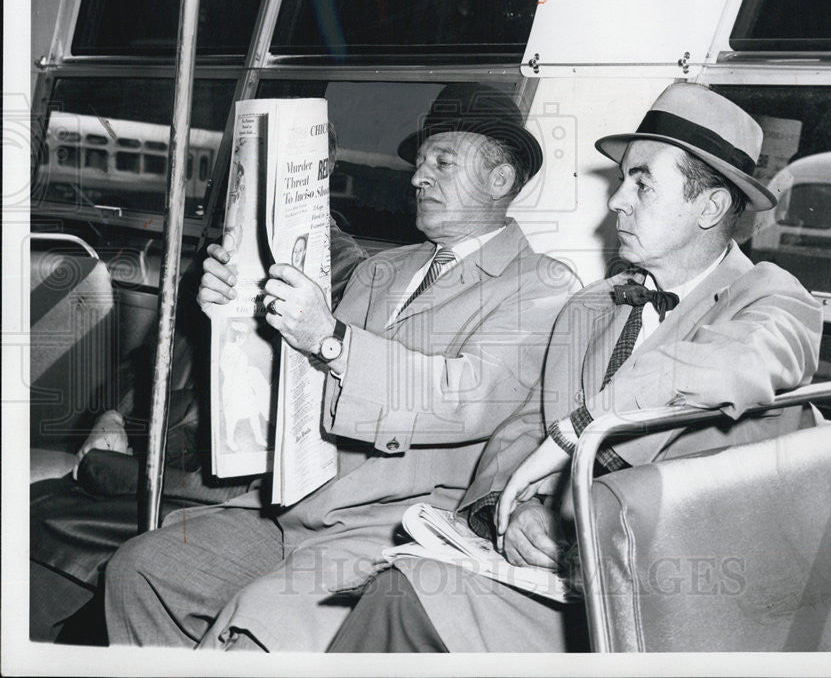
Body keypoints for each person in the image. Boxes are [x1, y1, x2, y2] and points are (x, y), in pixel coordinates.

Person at [328, 82, 824, 653]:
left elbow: (739, 362)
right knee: (398, 591)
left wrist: (579, 432)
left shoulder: (770, 298)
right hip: (571, 581)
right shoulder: (593, 306)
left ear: (709, 207)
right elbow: (521, 434)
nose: (617, 201)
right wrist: (512, 513)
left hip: (684, 596)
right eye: (621, 181)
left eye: (642, 182)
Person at [103, 83, 580, 651]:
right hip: (299, 505)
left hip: (395, 523)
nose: (417, 177)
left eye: (441, 162)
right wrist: (228, 317)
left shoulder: (543, 286)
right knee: (140, 573)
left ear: (500, 181)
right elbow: (304, 379)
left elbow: (463, 397)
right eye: (420, 162)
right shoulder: (384, 269)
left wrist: (330, 338)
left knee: (256, 628)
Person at [28, 121, 365, 645]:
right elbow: (154, 353)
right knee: (43, 508)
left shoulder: (345, 272)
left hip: (233, 479)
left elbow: (321, 401)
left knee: (67, 522)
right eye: (241, 171)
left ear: (316, 178)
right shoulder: (221, 252)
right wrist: (111, 414)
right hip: (162, 443)